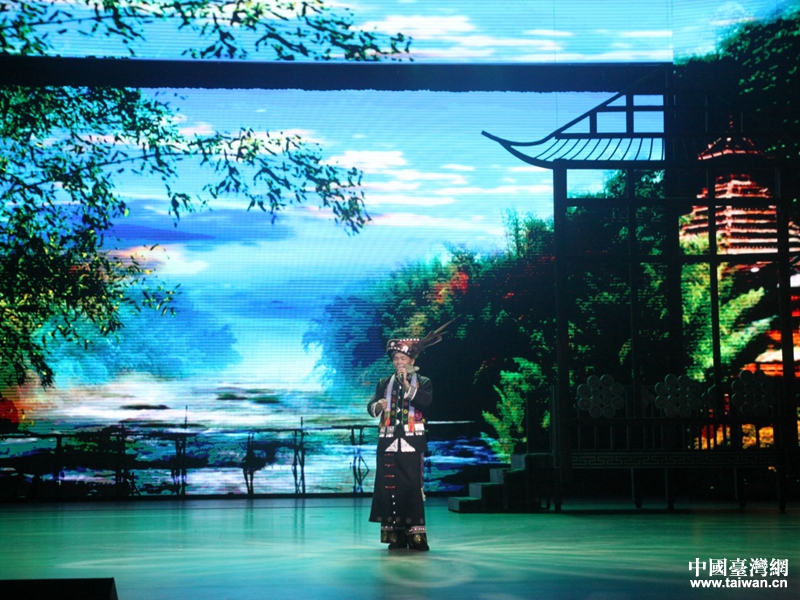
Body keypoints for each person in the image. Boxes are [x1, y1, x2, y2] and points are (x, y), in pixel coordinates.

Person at [367, 322, 450, 551]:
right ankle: (395, 535)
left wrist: (406, 385)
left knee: (412, 487)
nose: (399, 362)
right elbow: (371, 407)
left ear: (411, 361)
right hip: (387, 441)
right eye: (396, 359)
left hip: (412, 441)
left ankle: (415, 535)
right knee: (389, 486)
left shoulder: (423, 382)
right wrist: (378, 406)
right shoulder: (384, 383)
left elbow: (426, 402)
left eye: (403, 359)